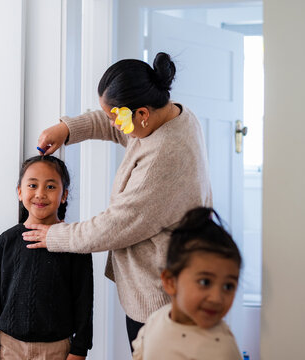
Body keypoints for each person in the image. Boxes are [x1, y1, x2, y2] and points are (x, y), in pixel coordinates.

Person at [23, 52, 213, 348]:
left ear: (141, 114)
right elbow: (112, 119)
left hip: (161, 302)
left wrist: (55, 235)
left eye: (116, 118)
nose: (112, 123)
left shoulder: (163, 159)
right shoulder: (174, 115)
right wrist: (68, 129)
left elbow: (114, 226)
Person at [0, 155, 93, 360]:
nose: (40, 194)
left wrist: (79, 348)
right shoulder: (7, 240)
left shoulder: (75, 242)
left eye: (50, 187)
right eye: (32, 185)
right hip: (10, 346)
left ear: (64, 195)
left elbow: (84, 300)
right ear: (20, 192)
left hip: (56, 348)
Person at [132, 207, 242, 360]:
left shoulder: (222, 349)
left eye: (228, 286)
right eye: (205, 282)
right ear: (170, 282)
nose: (216, 298)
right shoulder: (155, 320)